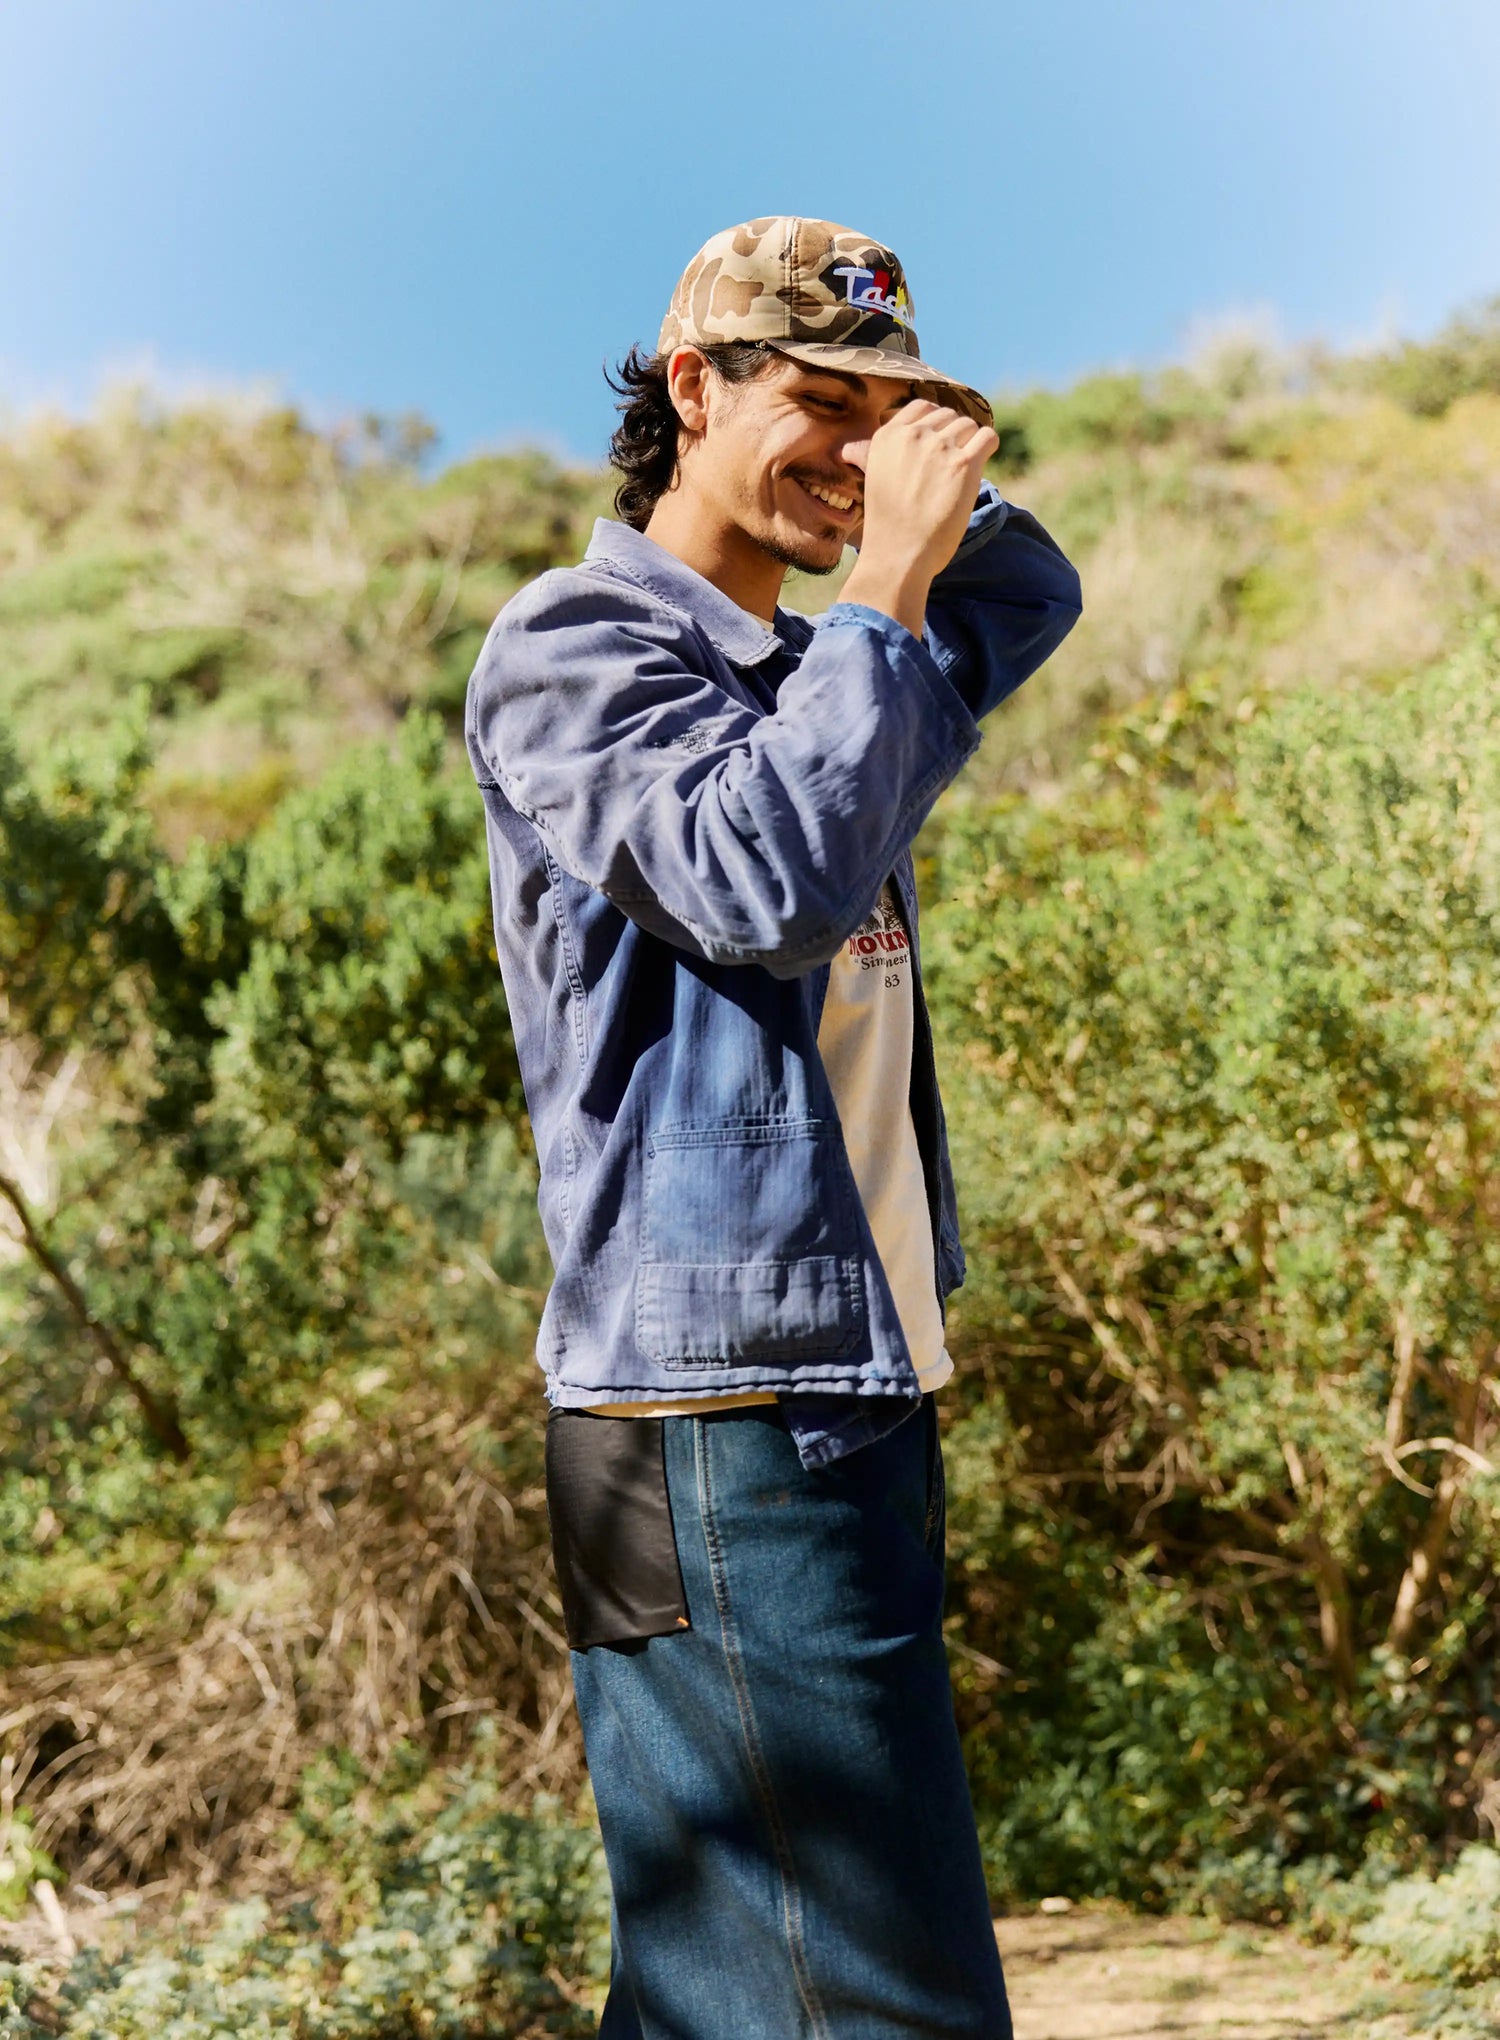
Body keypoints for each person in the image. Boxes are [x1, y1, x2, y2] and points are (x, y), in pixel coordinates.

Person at [466, 216, 1081, 2039]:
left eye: (892, 410)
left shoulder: (832, 671)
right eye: (818, 397)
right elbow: (761, 879)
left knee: (734, 1991)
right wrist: (877, 589)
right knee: (871, 2003)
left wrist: (897, 521)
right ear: (691, 386)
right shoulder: (574, 648)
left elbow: (1022, 594)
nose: (857, 447)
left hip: (844, 1390)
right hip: (715, 1422)